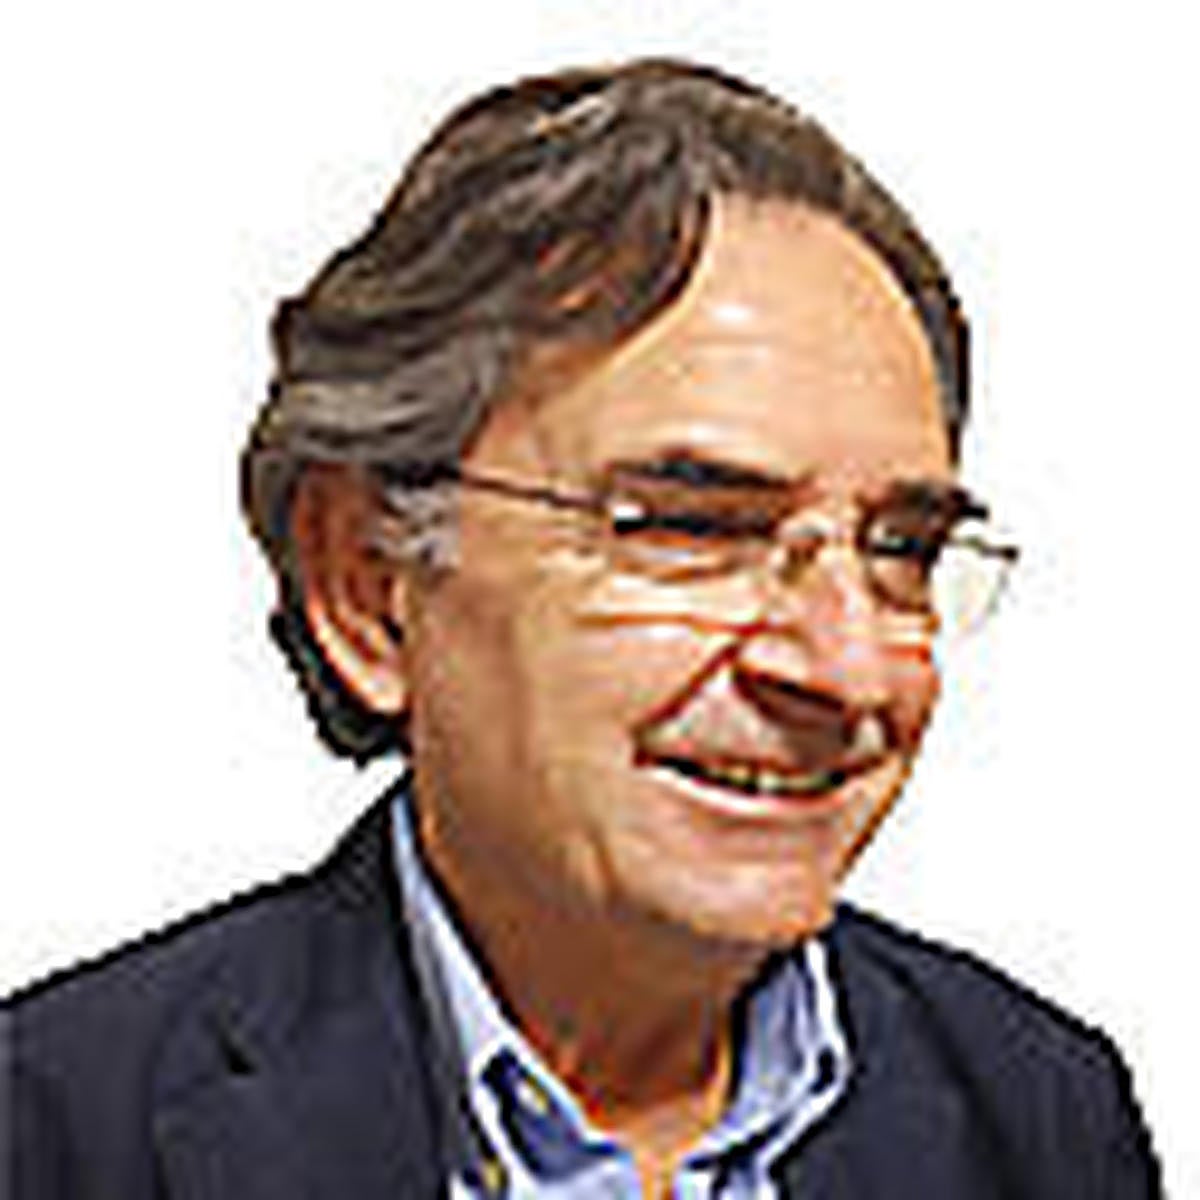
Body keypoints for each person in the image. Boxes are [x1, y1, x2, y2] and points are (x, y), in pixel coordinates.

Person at [4, 59, 1161, 1198]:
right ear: (369, 584)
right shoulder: (53, 1134)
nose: (848, 667)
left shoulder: (1043, 1118)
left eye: (901, 549)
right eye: (694, 529)